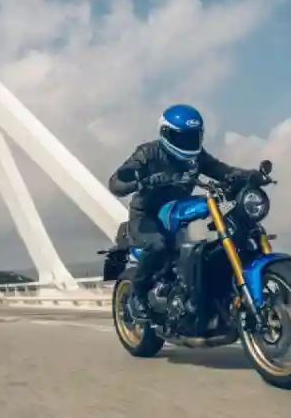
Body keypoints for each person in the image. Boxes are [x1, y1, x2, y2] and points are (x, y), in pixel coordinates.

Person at [107, 104, 259, 319]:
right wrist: (141, 181)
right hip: (148, 214)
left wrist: (250, 176)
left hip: (178, 208)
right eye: (182, 137)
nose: (188, 143)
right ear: (165, 133)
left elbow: (222, 170)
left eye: (193, 137)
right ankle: (139, 296)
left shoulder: (197, 157)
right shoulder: (148, 153)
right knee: (158, 246)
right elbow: (116, 183)